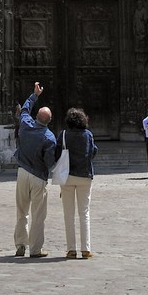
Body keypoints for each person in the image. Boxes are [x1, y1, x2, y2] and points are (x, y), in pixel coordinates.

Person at [14, 80, 58, 259]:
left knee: (21, 210)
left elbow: (24, 109)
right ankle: (35, 249)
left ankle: (20, 245)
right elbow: (50, 163)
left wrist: (35, 95)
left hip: (22, 172)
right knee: (38, 214)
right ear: (49, 121)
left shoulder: (25, 123)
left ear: (37, 116)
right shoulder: (49, 137)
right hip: (38, 177)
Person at [58, 106, 97, 260]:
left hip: (67, 176)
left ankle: (71, 249)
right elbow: (93, 151)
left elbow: (56, 152)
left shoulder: (64, 134)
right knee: (84, 213)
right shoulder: (88, 135)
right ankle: (86, 249)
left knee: (68, 214)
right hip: (84, 175)